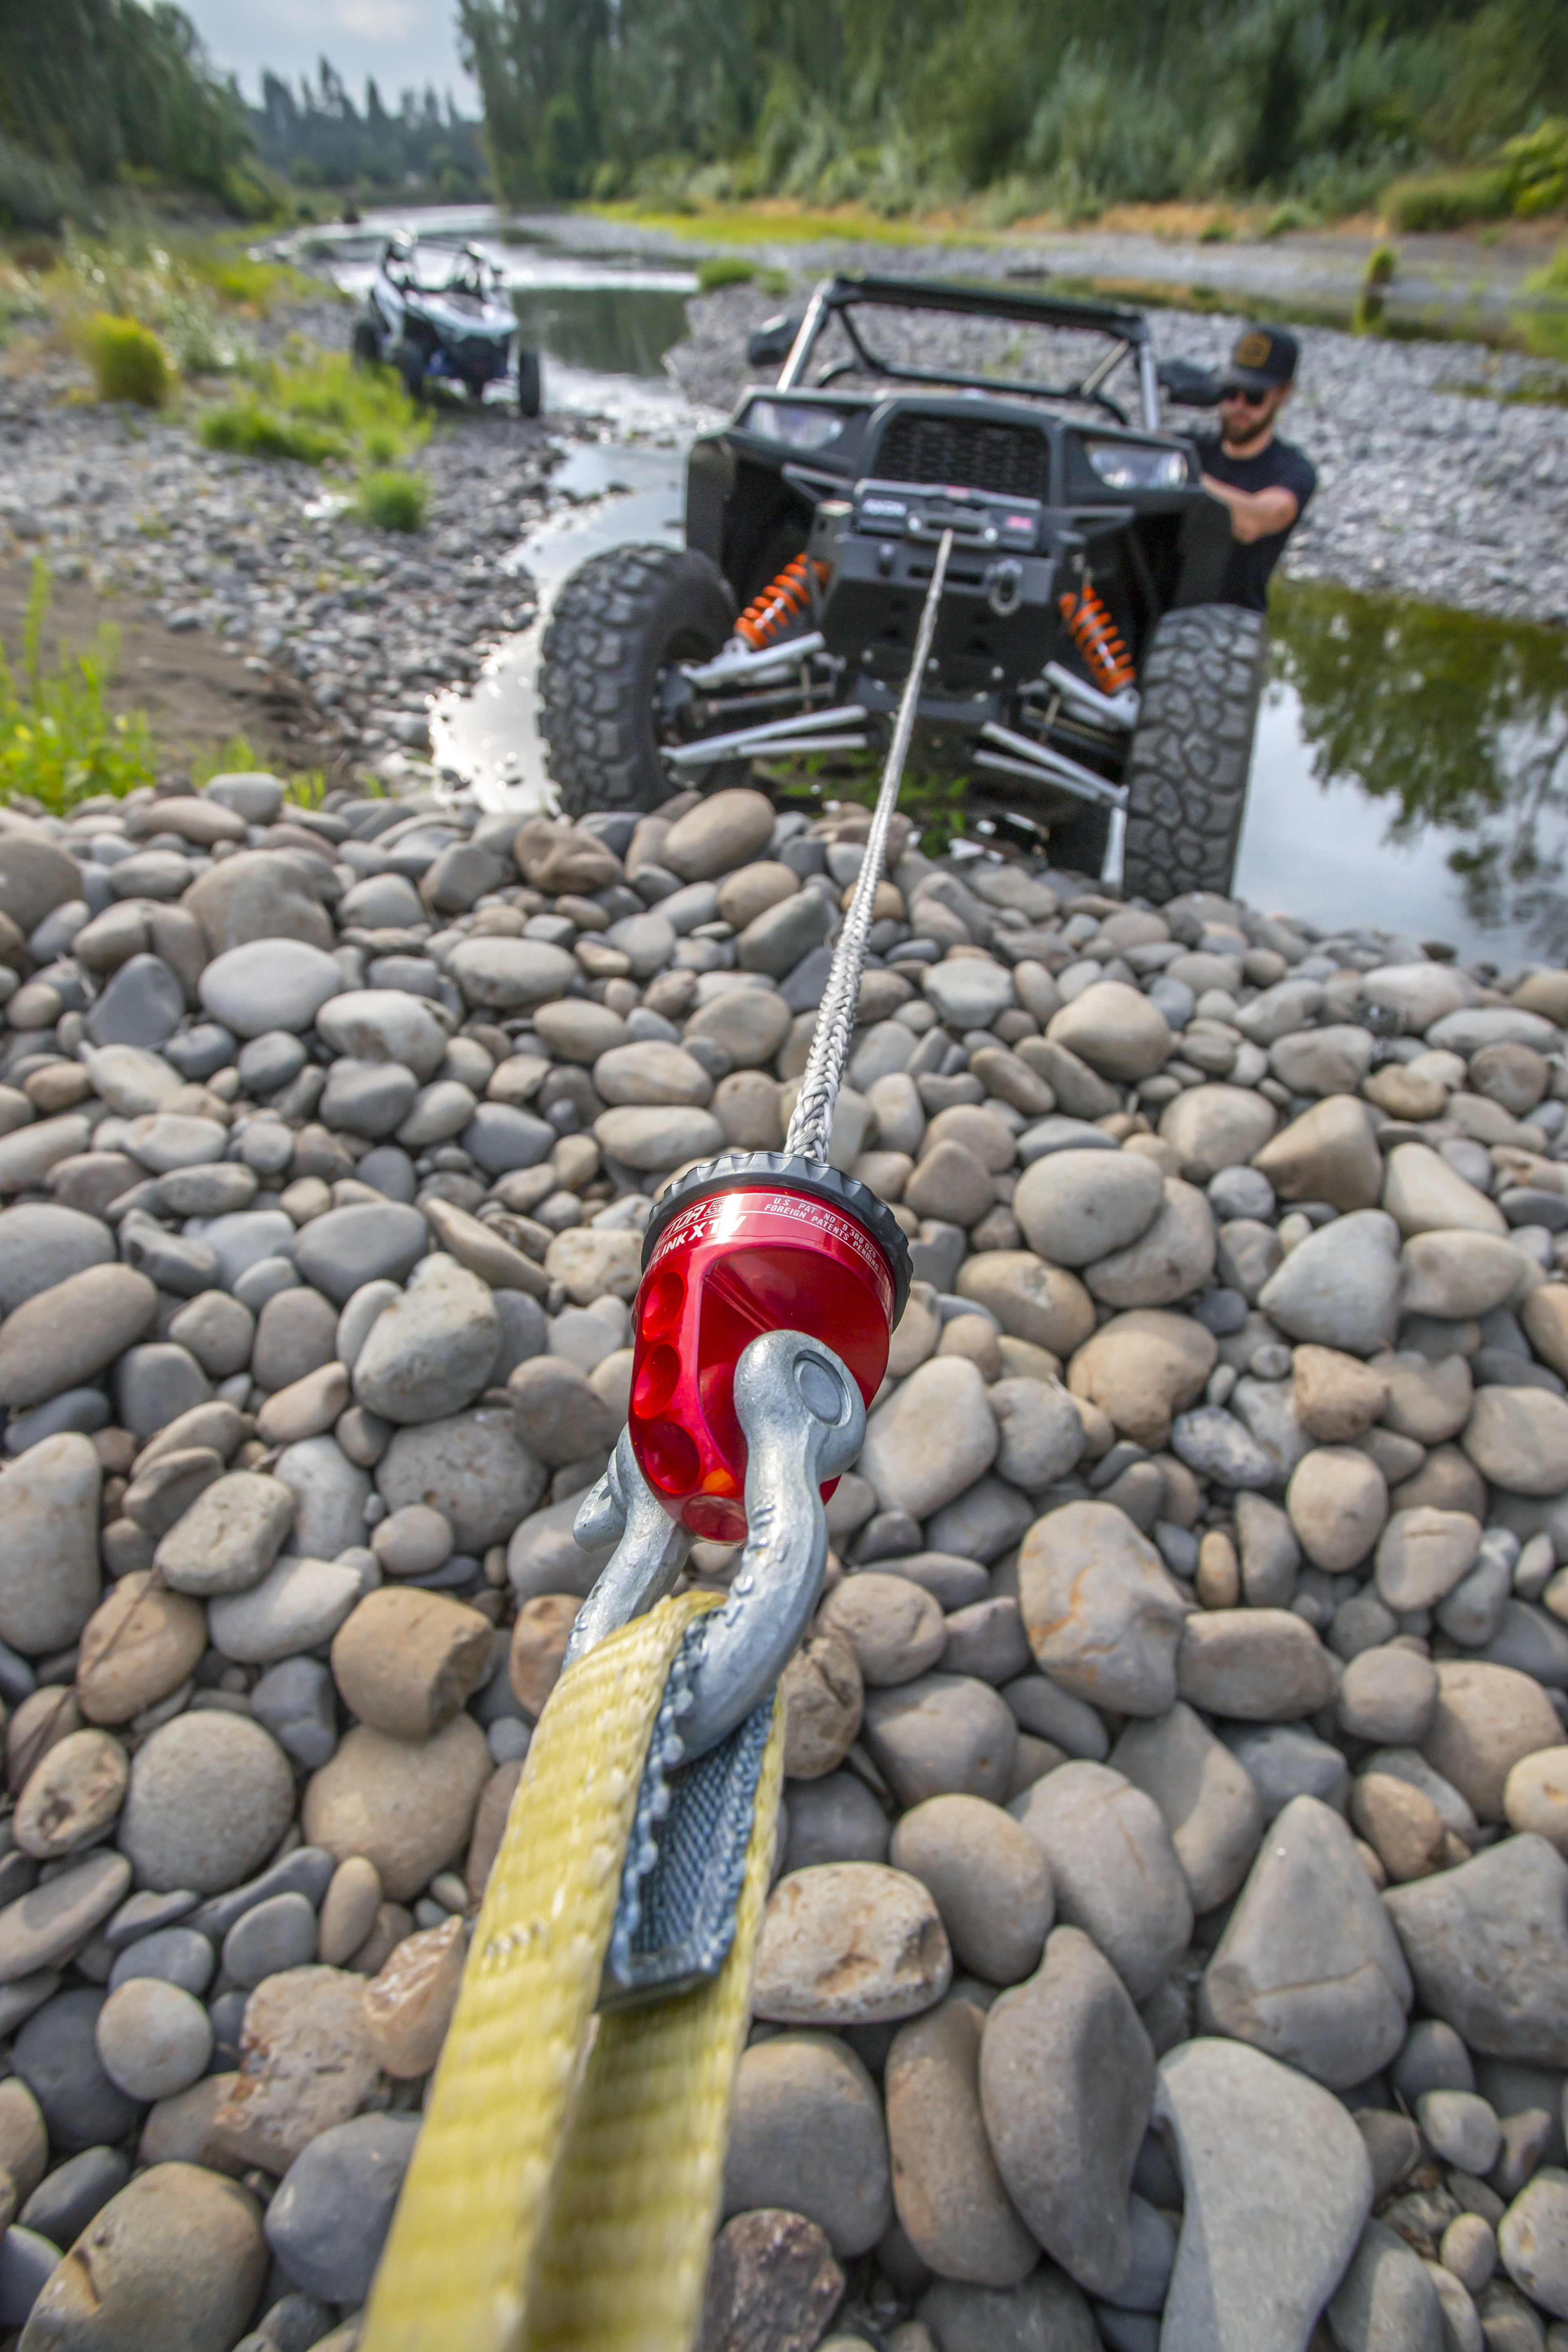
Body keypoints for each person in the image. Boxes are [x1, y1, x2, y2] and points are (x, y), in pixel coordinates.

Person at [1192, 324, 1316, 612]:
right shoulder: (1192, 448)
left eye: (1254, 396)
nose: (1239, 406)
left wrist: (1182, 475)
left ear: (1283, 394)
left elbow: (1254, 522)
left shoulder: (1292, 472)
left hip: (1231, 623)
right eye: (1230, 392)